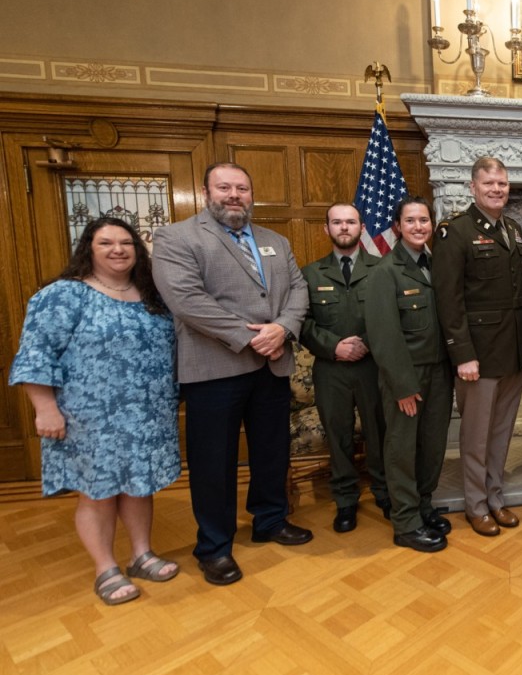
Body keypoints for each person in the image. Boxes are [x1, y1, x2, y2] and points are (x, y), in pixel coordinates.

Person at [152, 162, 312, 587]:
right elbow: (186, 300)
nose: (234, 195)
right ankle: (214, 546)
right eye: (225, 187)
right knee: (214, 462)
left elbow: (298, 289)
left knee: (271, 451)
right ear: (207, 193)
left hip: (272, 363)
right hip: (214, 369)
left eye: (242, 188)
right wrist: (252, 337)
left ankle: (270, 521)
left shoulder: (275, 241)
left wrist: (283, 329)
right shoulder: (176, 237)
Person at [9, 217, 181, 605]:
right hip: (88, 417)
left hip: (146, 414)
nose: (117, 249)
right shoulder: (64, 295)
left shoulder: (153, 296)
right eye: (106, 243)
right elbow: (35, 354)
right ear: (89, 249)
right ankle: (105, 568)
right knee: (97, 492)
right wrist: (45, 409)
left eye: (126, 243)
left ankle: (141, 555)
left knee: (139, 485)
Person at [432, 156, 522, 537]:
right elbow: (448, 300)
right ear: (473, 187)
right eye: (489, 183)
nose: (497, 189)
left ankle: (495, 498)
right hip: (477, 354)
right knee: (476, 437)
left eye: (502, 183)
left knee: (501, 433)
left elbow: (520, 294)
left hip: (511, 350)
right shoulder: (454, 232)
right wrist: (462, 355)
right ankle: (476, 505)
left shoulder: (513, 229)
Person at [366, 197, 455, 551]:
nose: (419, 227)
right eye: (411, 221)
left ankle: (423, 506)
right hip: (406, 376)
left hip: (440, 373)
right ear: (397, 227)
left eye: (424, 220)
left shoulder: (437, 265)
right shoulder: (385, 271)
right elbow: (384, 336)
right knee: (402, 449)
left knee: (432, 445)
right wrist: (402, 386)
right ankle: (405, 522)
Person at [299, 203, 388, 534]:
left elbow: (392, 316)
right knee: (338, 436)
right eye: (337, 222)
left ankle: (384, 491)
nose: (344, 227)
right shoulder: (310, 274)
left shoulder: (382, 268)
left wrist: (365, 342)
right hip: (330, 369)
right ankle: (346, 499)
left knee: (379, 432)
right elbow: (301, 322)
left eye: (350, 222)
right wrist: (334, 346)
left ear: (362, 227)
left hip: (372, 366)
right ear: (327, 229)